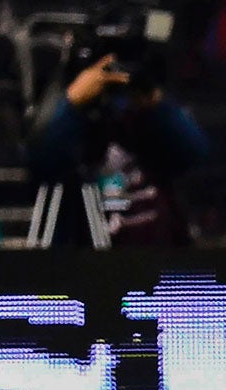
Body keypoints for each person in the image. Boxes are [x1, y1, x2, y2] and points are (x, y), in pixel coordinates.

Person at [27, 33, 210, 246]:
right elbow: (41, 164)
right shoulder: (71, 120)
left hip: (157, 254)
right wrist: (73, 104)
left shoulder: (149, 117)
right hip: (88, 255)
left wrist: (154, 102)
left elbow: (196, 152)